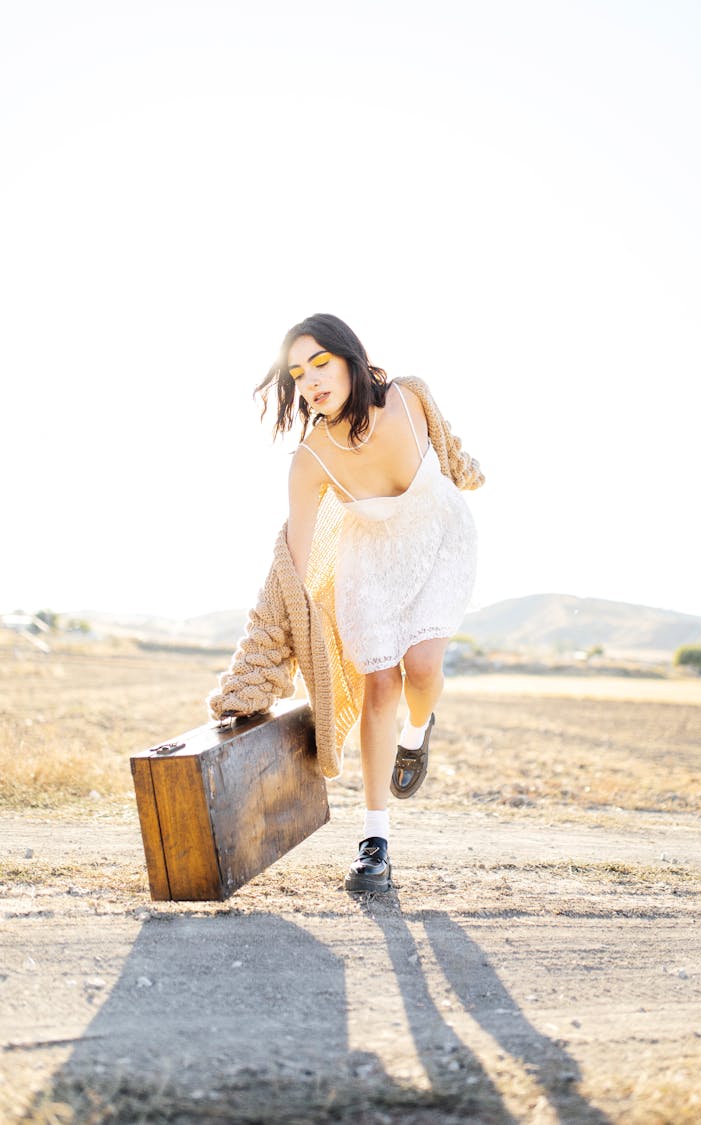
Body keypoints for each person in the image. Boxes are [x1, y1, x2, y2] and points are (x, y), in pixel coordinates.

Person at [250, 313, 482, 894]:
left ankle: (418, 729)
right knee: (380, 682)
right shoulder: (311, 458)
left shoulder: (408, 397)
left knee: (423, 668)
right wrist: (263, 654)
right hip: (368, 563)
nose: (310, 381)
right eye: (298, 374)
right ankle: (374, 839)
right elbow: (296, 563)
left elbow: (450, 456)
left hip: (439, 541)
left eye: (320, 364)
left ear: (350, 357)